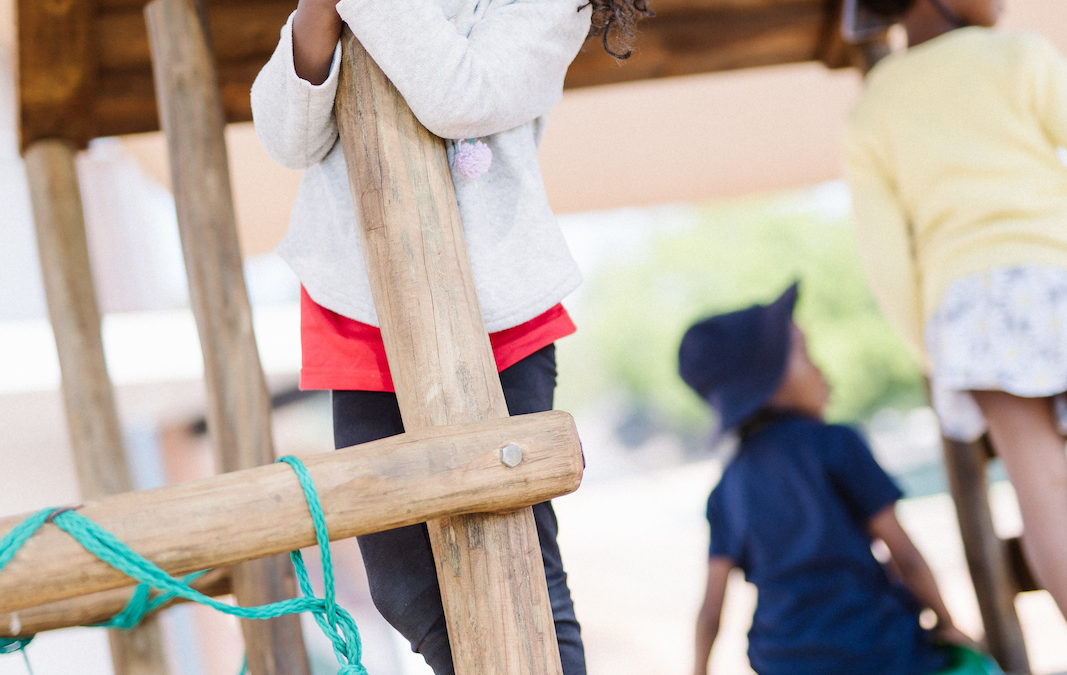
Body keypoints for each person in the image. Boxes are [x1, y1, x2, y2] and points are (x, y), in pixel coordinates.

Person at [249, 0, 650, 672]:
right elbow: (289, 139)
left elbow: (461, 97)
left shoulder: (553, 7)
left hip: (492, 312)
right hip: (359, 306)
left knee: (519, 562)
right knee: (403, 584)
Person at [843, 0, 1067, 621]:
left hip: (970, 310)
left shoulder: (873, 108)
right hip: (1057, 268)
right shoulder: (1020, 55)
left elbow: (885, 259)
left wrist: (934, 350)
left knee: (1042, 487)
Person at [678, 282, 994, 675]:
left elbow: (711, 611)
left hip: (784, 663)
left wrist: (699, 670)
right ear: (767, 383)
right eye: (806, 355)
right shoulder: (836, 444)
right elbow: (906, 556)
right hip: (877, 651)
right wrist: (948, 624)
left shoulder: (726, 490)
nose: (821, 371)